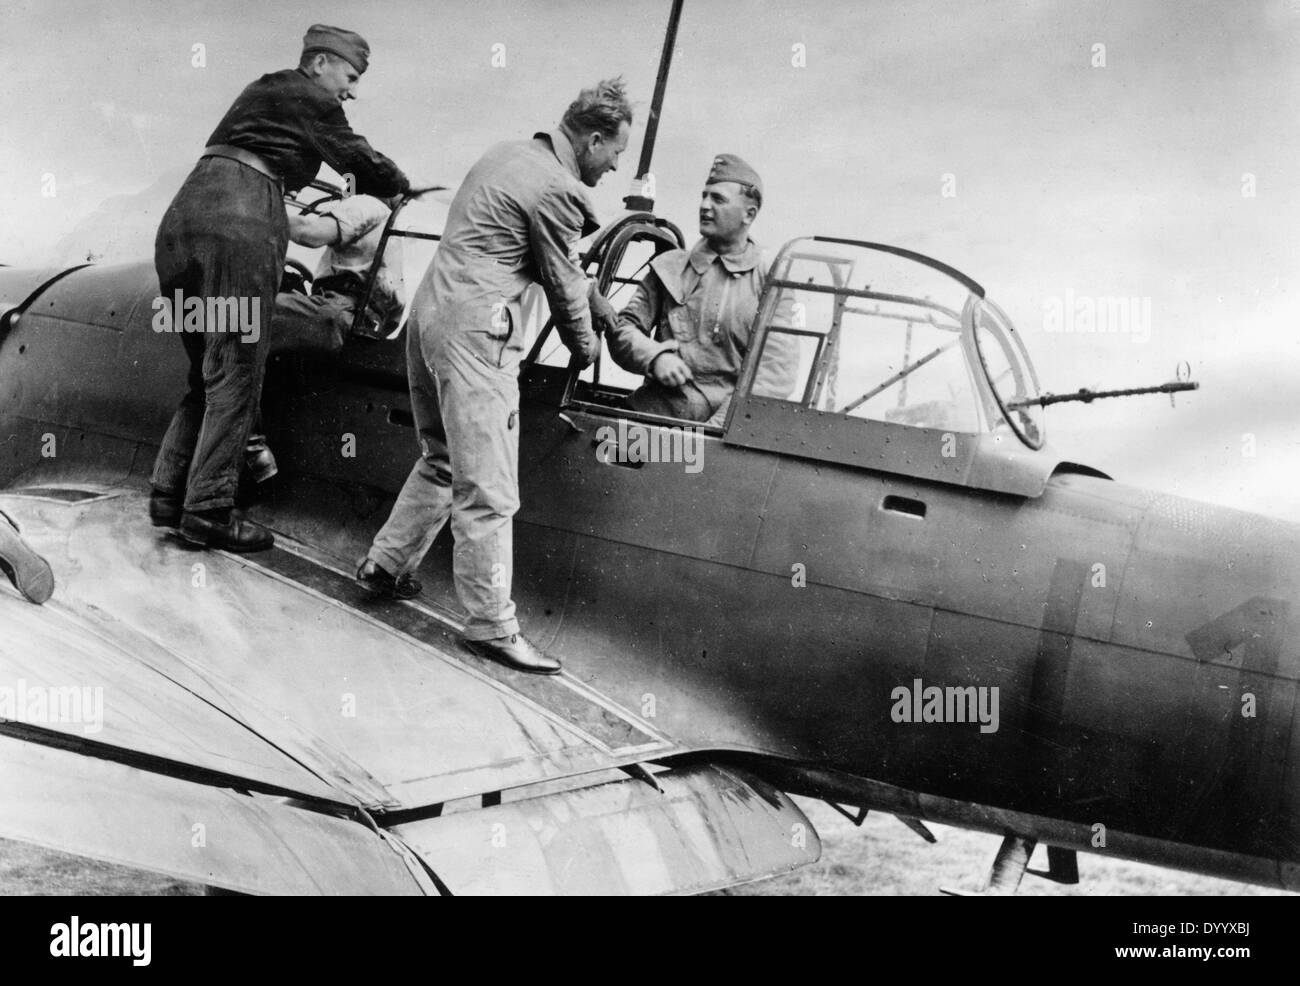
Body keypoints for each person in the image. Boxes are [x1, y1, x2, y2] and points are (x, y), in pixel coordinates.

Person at [357, 79, 630, 676]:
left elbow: (527, 248)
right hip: (479, 338)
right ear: (592, 139)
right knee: (490, 490)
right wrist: (586, 347)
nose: (613, 169)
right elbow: (560, 282)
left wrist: (596, 300)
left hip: (430, 321)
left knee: (442, 459)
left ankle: (385, 564)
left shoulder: (507, 155)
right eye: (614, 155)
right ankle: (491, 626)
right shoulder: (559, 188)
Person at [149, 25, 409, 552]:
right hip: (242, 221)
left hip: (183, 219)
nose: (352, 90)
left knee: (205, 374)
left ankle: (167, 498)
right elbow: (360, 158)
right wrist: (399, 184)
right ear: (319, 63)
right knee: (238, 375)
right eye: (351, 76)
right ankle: (209, 511)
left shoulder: (262, 91)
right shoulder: (313, 98)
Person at [606, 154, 798, 427]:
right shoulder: (669, 268)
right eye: (704, 196)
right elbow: (623, 328)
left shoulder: (772, 281)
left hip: (726, 433)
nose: (705, 206)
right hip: (652, 420)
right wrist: (655, 356)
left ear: (749, 214)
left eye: (718, 199)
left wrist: (716, 430)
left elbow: (775, 373)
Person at [242, 192, 406, 484]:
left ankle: (251, 447)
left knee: (238, 318)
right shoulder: (393, 236)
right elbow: (395, 313)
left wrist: (254, 213)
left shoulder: (368, 204)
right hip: (361, 320)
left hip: (334, 310)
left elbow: (311, 233)